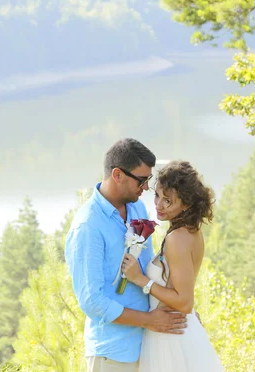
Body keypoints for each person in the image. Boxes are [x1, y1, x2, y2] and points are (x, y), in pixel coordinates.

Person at [65, 138, 187, 372]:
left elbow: (148, 272)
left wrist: (180, 310)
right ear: (118, 175)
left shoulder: (137, 209)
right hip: (114, 353)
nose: (146, 188)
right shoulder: (88, 226)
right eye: (141, 180)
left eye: (148, 180)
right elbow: (92, 302)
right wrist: (149, 321)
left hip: (150, 345)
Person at [121, 160, 225, 371]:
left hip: (171, 338)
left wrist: (141, 280)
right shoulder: (191, 232)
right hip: (178, 329)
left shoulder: (177, 238)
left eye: (168, 200)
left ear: (186, 203)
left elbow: (184, 302)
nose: (158, 205)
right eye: (157, 196)